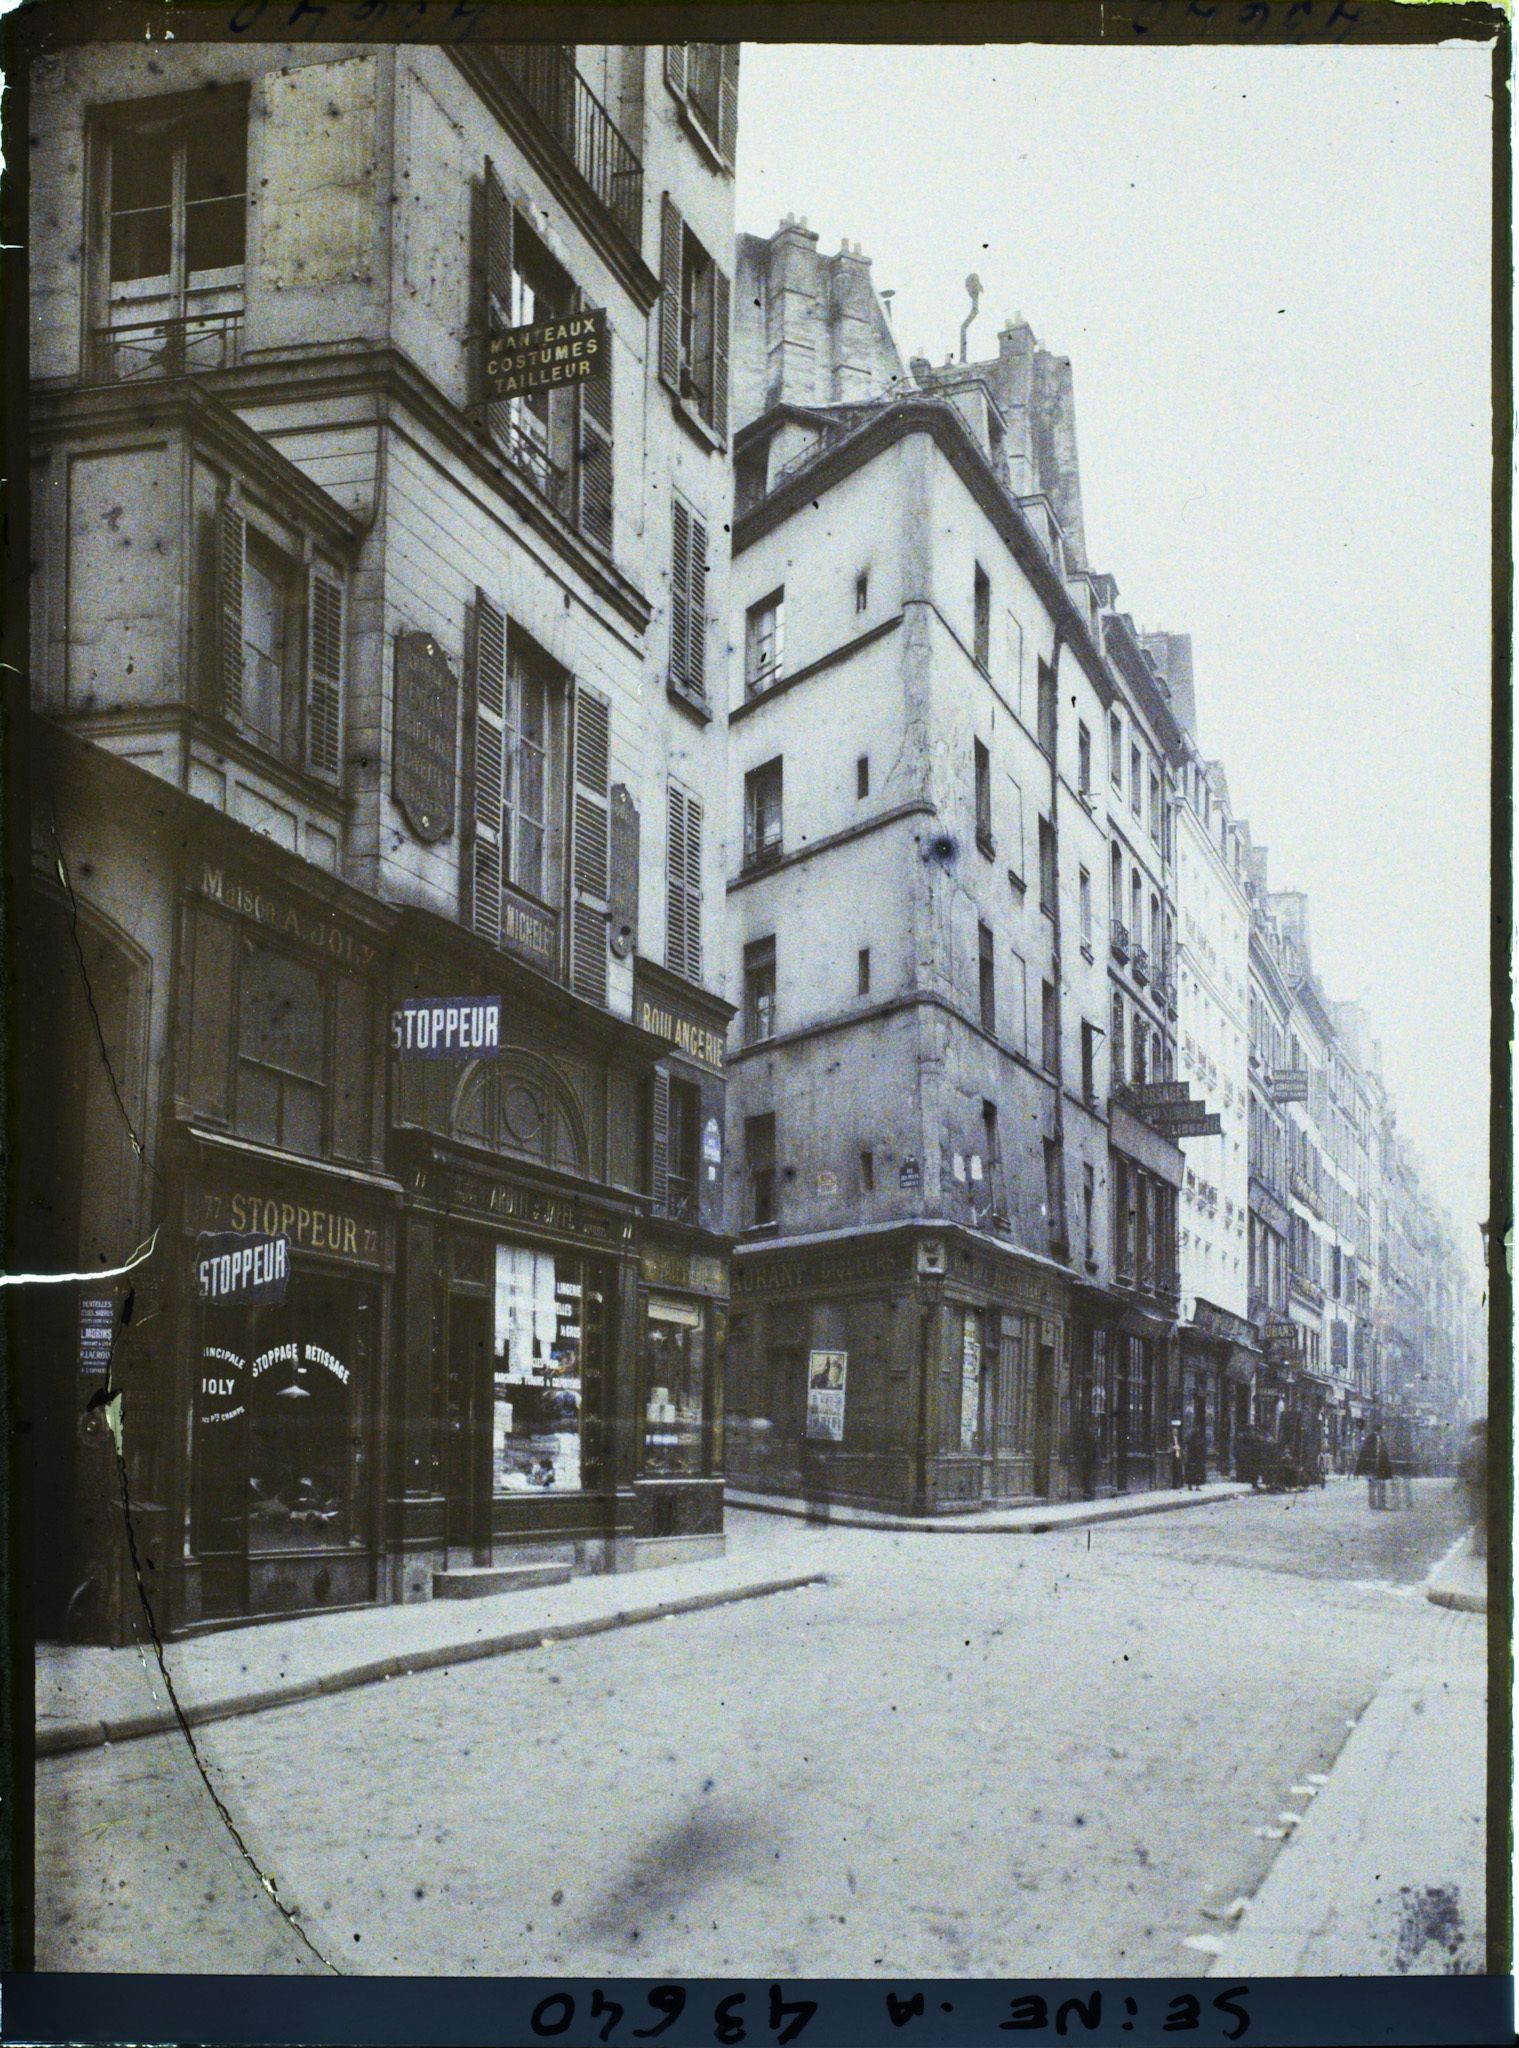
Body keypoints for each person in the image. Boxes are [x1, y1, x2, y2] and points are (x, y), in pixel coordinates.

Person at [1458, 1419, 1488, 1557]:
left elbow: (1469, 1465)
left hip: (1478, 1484)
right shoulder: (1482, 1444)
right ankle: (1480, 1546)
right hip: (1482, 1483)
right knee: (1482, 1515)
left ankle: (1479, 1546)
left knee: (1479, 1515)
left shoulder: (1475, 1445)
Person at [1184, 1419, 1208, 1491]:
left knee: (1191, 1472)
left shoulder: (1190, 1439)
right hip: (1197, 1459)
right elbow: (1202, 1449)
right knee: (1197, 1472)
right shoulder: (1199, 1440)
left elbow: (1187, 1446)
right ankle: (1196, 1486)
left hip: (1191, 1458)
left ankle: (1190, 1485)